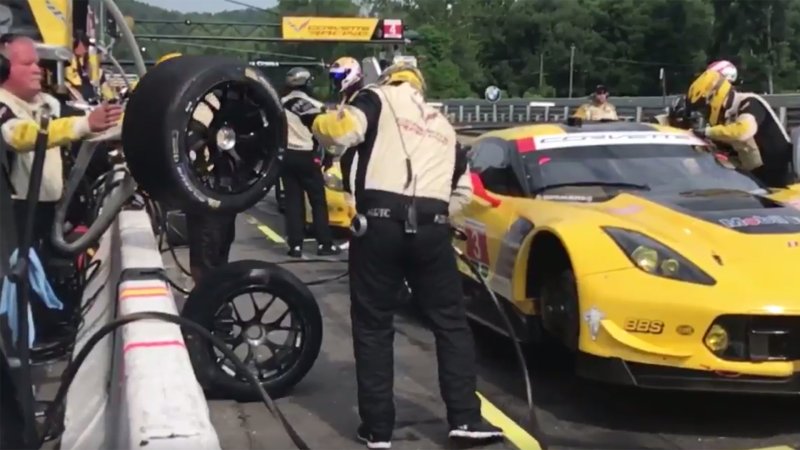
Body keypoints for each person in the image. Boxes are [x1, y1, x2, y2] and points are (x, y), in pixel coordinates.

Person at [311, 61, 504, 449]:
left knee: (373, 326)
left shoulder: (376, 99)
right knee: (450, 324)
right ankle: (465, 418)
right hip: (432, 229)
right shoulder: (444, 125)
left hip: (378, 224)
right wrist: (435, 218)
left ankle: (378, 429)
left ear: (389, 79)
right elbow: (464, 192)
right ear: (422, 87)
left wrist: (316, 119)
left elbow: (341, 132)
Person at [0, 33, 121, 249]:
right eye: (28, 64)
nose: (38, 69)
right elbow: (19, 136)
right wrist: (85, 125)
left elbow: (80, 126)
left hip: (48, 216)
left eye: (37, 63)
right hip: (12, 221)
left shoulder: (49, 104)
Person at [147, 52, 238, 283]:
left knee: (205, 263)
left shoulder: (186, 108)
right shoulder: (215, 99)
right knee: (217, 256)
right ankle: (218, 305)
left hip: (206, 187)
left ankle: (212, 311)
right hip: (227, 188)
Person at [686, 68, 793, 187]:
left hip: (783, 178)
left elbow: (744, 131)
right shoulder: (726, 119)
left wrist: (707, 132)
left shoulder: (748, 102)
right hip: (758, 181)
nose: (704, 113)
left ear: (714, 96)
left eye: (703, 108)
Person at [280, 66, 339, 258]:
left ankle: (295, 245)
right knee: (317, 201)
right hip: (307, 156)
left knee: (293, 202)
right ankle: (324, 243)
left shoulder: (279, 103)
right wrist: (328, 156)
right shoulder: (315, 105)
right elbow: (323, 134)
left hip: (287, 156)